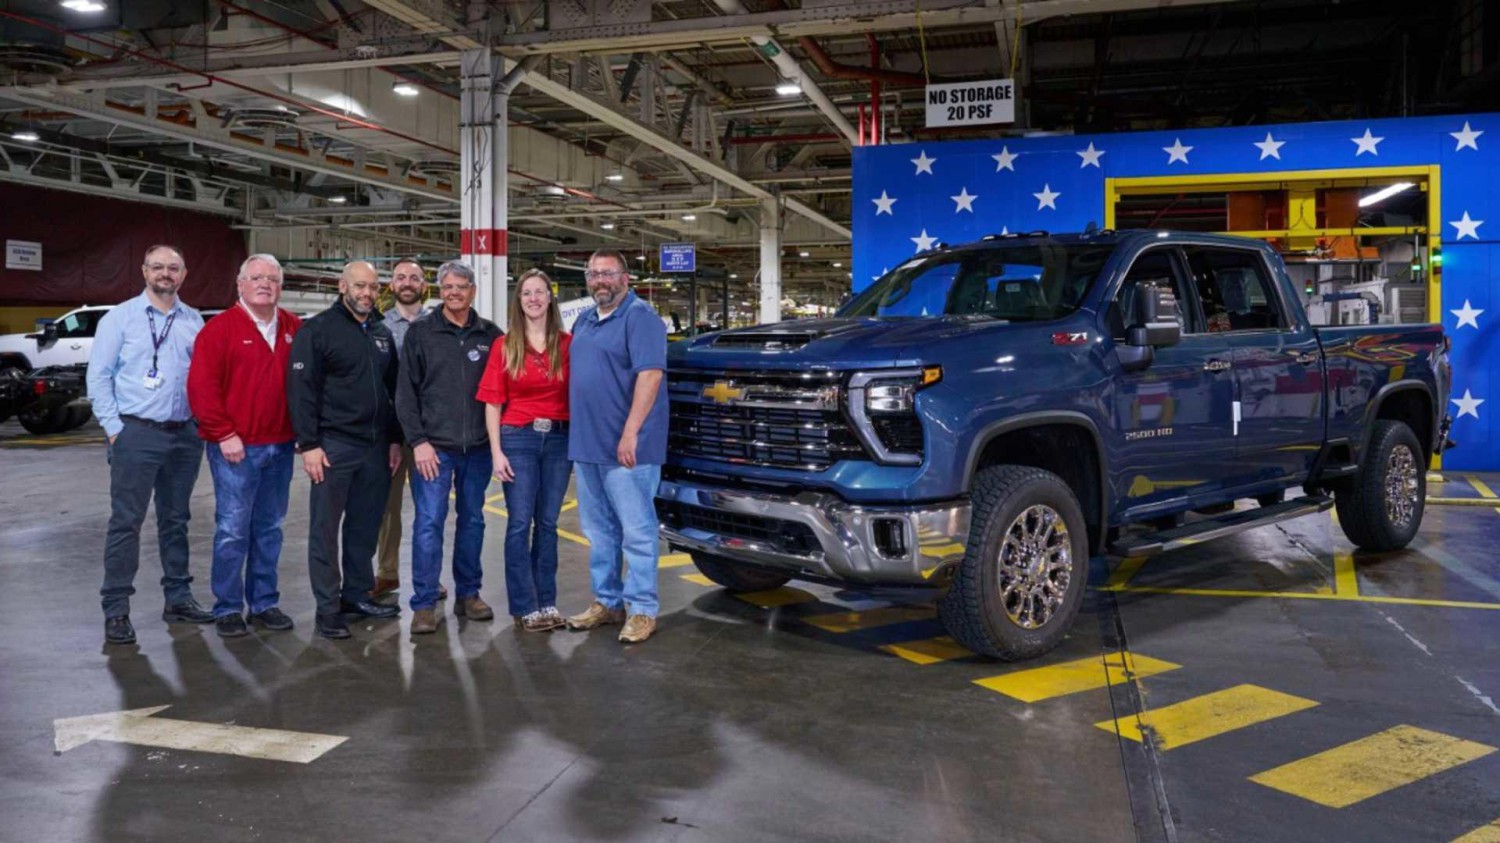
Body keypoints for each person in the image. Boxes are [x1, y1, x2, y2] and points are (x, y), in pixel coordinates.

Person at [88, 244, 214, 645]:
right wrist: (114, 429)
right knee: (127, 522)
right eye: (157, 267)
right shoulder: (119, 318)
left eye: (173, 268)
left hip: (184, 435)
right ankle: (116, 609)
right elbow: (99, 376)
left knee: (176, 520)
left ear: (184, 274)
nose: (165, 274)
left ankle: (177, 597)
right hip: (136, 433)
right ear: (144, 271)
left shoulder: (194, 321)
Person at [186, 254, 302, 638]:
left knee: (270, 528)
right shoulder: (219, 330)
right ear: (240, 285)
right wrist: (223, 434)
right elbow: (201, 388)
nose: (265, 284)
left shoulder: (293, 328)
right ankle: (228, 606)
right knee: (233, 529)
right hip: (236, 448)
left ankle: (264, 602)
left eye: (272, 278)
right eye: (256, 278)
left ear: (280, 286)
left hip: (282, 446)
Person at [287, 260, 402, 640]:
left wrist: (394, 439)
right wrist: (310, 445)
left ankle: (356, 594)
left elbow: (393, 391)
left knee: (364, 527)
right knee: (325, 529)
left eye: (372, 287)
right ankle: (327, 607)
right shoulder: (317, 330)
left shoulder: (381, 332)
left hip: (374, 448)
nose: (366, 293)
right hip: (333, 446)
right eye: (359, 286)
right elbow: (301, 391)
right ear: (342, 286)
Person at [564, 250, 669, 644]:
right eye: (593, 273)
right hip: (588, 444)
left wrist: (630, 433)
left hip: (627, 447)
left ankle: (642, 609)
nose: (600, 280)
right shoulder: (587, 321)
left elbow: (650, 376)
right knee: (599, 530)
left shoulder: (640, 318)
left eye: (608, 273)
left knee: (637, 532)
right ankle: (608, 602)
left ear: (626, 278)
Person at [394, 260, 502, 634]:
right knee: (428, 523)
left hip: (479, 448)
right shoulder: (421, 333)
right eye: (448, 287)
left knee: (473, 522)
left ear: (473, 291)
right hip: (434, 450)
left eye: (462, 286)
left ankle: (469, 594)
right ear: (439, 291)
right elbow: (405, 395)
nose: (455, 293)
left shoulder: (491, 335)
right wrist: (419, 443)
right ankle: (424, 603)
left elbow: (503, 393)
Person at [477, 269, 572, 632]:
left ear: (550, 298)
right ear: (519, 301)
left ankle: (547, 601)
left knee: (547, 524)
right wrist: (497, 452)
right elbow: (492, 403)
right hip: (518, 439)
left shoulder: (567, 344)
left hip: (560, 441)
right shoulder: (506, 345)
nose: (533, 298)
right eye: (526, 293)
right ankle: (524, 605)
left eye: (540, 292)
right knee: (519, 524)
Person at [373, 258, 439, 600]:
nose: (407, 282)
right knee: (388, 508)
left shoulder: (437, 324)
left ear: (424, 284)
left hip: (430, 434)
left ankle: (430, 575)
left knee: (431, 510)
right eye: (401, 277)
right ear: (392, 284)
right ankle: (386, 572)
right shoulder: (379, 327)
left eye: (414, 277)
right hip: (390, 433)